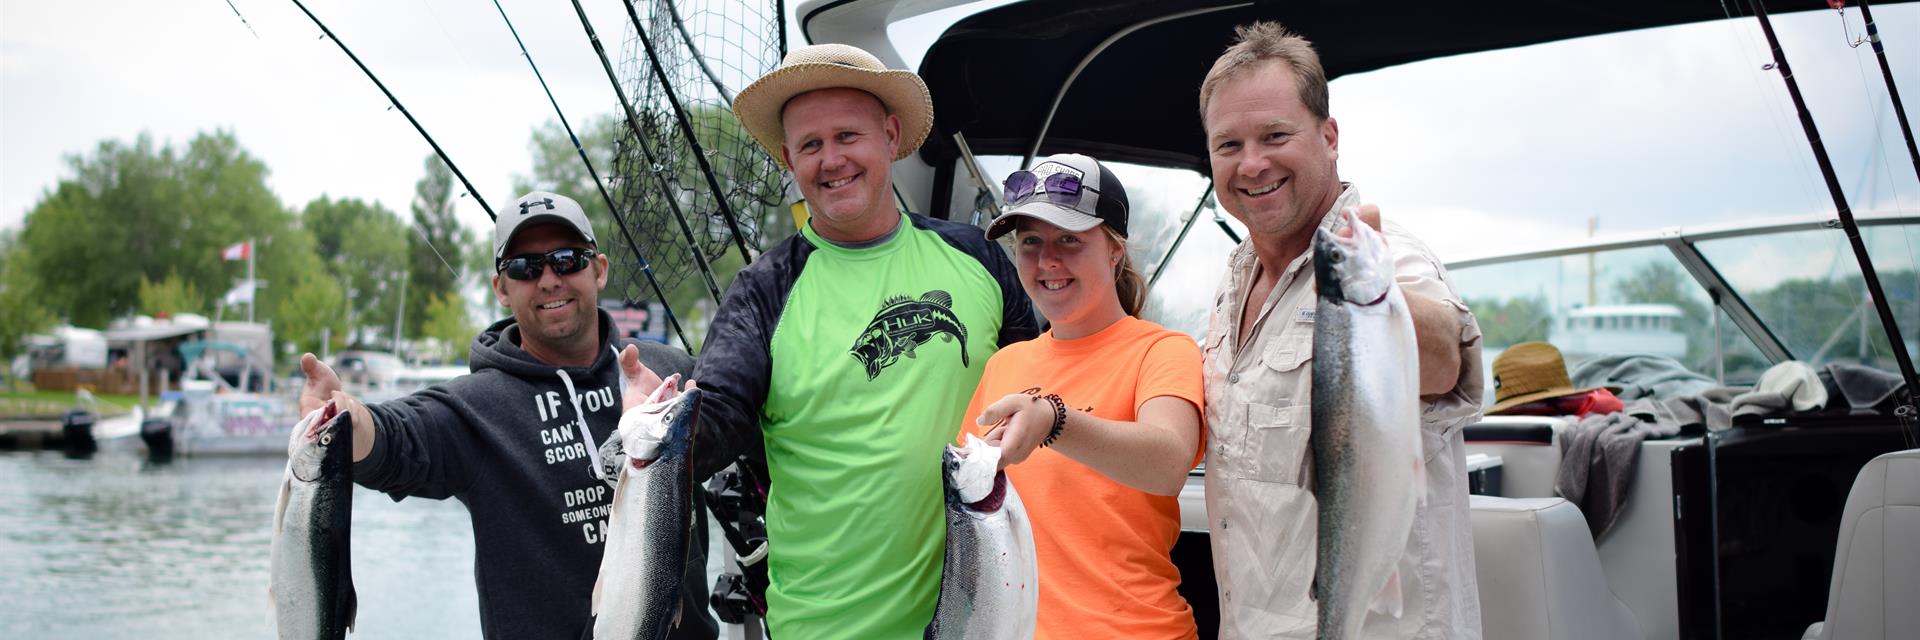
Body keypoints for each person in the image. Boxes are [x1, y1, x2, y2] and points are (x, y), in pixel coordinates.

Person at [614, 43, 1038, 638]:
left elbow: (1044, 385)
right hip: (823, 625)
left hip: (990, 614)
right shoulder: (763, 292)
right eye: (811, 146)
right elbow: (716, 425)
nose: (831, 159)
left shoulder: (979, 258)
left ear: (890, 135)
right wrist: (658, 422)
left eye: (848, 136)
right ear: (789, 158)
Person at [295, 191, 716, 640]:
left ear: (599, 269)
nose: (550, 279)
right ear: (501, 288)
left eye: (568, 260)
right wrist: (342, 418)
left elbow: (752, 429)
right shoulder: (476, 408)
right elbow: (395, 440)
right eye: (525, 268)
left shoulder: (672, 377)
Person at [1197, 22, 1486, 639]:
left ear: (1329, 137)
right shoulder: (1232, 279)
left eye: (1275, 135)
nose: (1253, 164)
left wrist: (1376, 308)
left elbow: (1445, 366)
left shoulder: (1389, 262)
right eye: (1229, 145)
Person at [959, 153, 1206, 639]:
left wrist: (1054, 422)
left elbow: (1169, 461)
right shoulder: (1005, 365)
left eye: (1069, 239)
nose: (1048, 261)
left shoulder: (1162, 351)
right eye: (1030, 242)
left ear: (1115, 249)